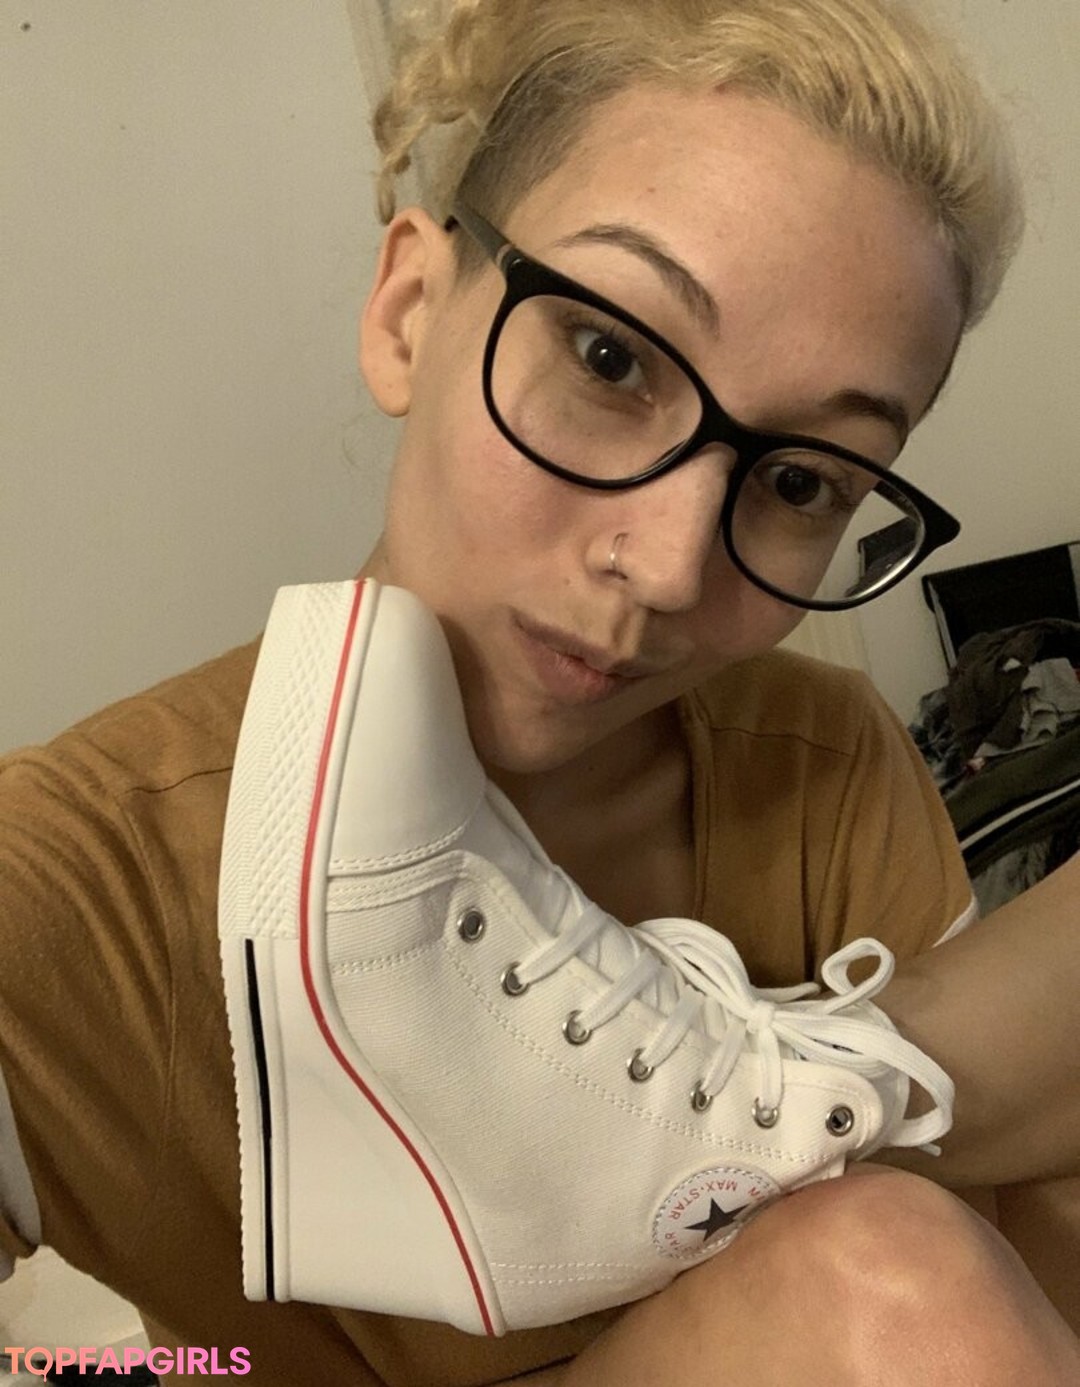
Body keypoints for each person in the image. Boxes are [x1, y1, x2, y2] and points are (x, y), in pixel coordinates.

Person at [1, 0, 1077, 1383]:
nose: (668, 565)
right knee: (882, 1272)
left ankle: (778, 1091)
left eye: (803, 481)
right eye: (610, 358)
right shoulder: (84, 877)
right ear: (409, 315)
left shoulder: (814, 757)